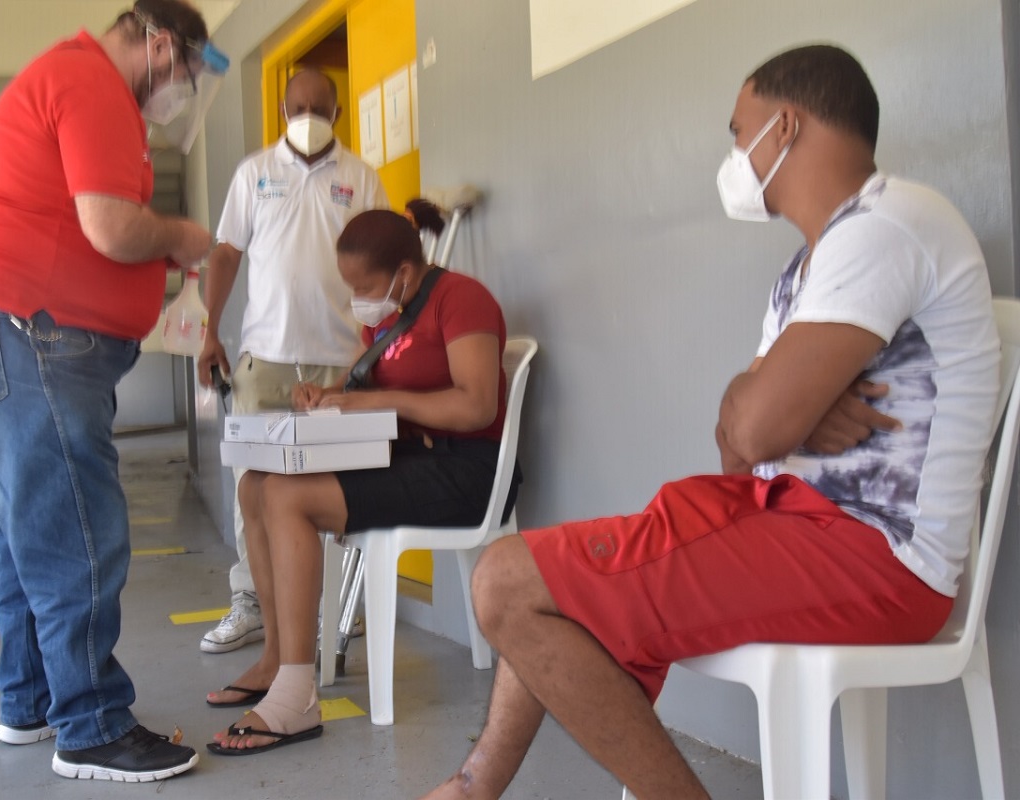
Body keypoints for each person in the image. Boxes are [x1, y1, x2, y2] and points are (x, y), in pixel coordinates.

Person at [424, 44, 1000, 800]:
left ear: (785, 127)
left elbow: (756, 429)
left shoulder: (884, 225)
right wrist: (779, 405)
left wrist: (775, 407)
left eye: (739, 131)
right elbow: (738, 444)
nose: (734, 153)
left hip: (877, 558)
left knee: (506, 580)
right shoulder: (808, 266)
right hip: (790, 520)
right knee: (549, 577)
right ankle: (473, 787)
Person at [0, 0, 221, 783]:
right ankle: (90, 726)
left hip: (4, 329)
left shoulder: (72, 78)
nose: (185, 87)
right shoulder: (91, 83)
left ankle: (30, 701)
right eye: (189, 69)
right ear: (160, 44)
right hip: (27, 334)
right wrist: (182, 238)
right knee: (76, 532)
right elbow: (110, 228)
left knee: (32, 530)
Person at [204, 209, 516, 754]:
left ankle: (297, 695)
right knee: (255, 482)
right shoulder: (387, 315)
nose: (358, 299)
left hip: (466, 471)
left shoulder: (462, 300)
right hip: (409, 457)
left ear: (404, 270)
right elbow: (360, 382)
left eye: (364, 286)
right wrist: (326, 399)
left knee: (286, 496)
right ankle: (279, 655)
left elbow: (477, 405)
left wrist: (374, 401)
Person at [196, 67, 388, 656]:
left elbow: (383, 264)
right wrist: (210, 333)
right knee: (251, 489)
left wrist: (372, 348)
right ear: (282, 111)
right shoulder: (254, 173)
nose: (307, 116)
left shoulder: (360, 177)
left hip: (338, 363)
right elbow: (227, 255)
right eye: (297, 106)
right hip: (266, 359)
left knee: (334, 489)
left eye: (319, 107)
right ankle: (252, 603)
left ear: (337, 112)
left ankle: (338, 609)